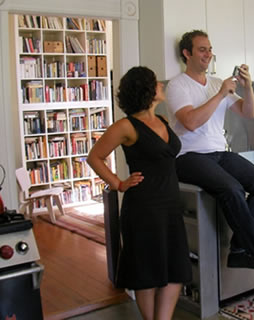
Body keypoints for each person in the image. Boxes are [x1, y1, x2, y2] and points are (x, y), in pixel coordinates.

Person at [166, 30, 254, 273]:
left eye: (210, 50)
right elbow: (190, 121)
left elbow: (248, 112)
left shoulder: (214, 83)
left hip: (219, 154)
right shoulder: (177, 86)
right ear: (186, 53)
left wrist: (248, 88)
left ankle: (240, 250)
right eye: (202, 49)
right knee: (232, 188)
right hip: (188, 157)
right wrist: (221, 93)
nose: (208, 55)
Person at [87, 66, 191, 320]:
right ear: (146, 89)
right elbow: (95, 157)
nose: (162, 86)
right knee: (147, 273)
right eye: (157, 83)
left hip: (170, 204)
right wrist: (118, 183)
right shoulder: (126, 126)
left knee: (175, 268)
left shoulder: (164, 120)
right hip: (143, 208)